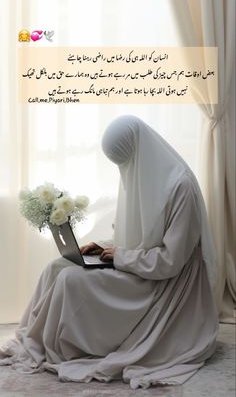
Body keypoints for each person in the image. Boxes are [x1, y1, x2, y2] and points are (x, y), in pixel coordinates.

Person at [0, 115, 218, 389]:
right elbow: (131, 234)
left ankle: (63, 348)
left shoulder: (181, 187)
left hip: (163, 283)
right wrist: (102, 246)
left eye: (124, 161)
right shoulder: (137, 171)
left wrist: (122, 256)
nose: (123, 169)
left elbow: (171, 261)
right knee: (56, 268)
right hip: (138, 264)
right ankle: (38, 342)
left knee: (71, 280)